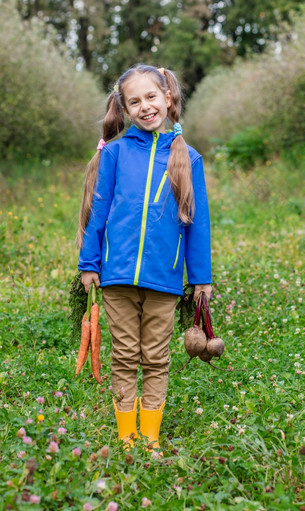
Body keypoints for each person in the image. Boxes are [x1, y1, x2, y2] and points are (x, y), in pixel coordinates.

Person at [77, 64, 212, 450]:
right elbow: (97, 211)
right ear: (124, 108)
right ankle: (126, 437)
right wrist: (89, 263)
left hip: (164, 279)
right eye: (134, 101)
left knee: (155, 358)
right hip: (117, 277)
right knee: (124, 356)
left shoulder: (189, 158)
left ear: (168, 98)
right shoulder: (116, 153)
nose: (145, 106)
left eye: (151, 97)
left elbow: (197, 224)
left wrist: (200, 278)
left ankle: (149, 436)